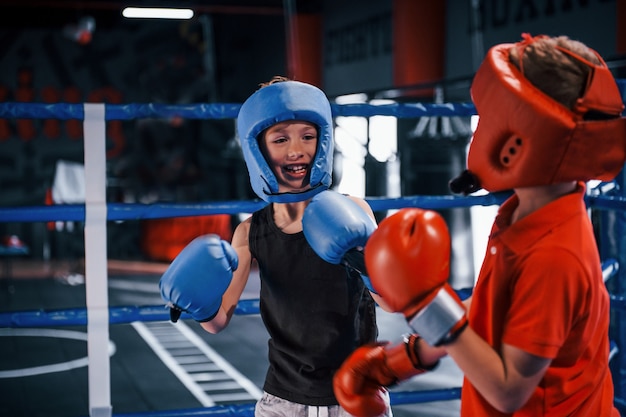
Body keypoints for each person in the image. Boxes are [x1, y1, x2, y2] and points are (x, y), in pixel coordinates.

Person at [332, 34, 626, 417]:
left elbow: (507, 390)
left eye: (489, 118)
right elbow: (490, 306)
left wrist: (425, 302)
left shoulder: (555, 256)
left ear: (517, 140)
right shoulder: (524, 210)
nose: (479, 131)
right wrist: (407, 357)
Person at [159, 76, 394, 416]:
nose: (296, 150)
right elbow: (219, 319)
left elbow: (388, 301)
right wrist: (200, 304)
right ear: (257, 148)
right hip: (284, 399)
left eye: (308, 136)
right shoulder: (250, 232)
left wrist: (362, 260)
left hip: (358, 392)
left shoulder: (354, 210)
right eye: (280, 138)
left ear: (324, 140)